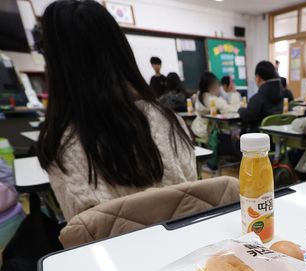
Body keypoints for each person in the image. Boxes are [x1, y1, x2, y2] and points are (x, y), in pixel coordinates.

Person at [37, 0, 196, 221]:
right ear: (122, 50)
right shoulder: (168, 120)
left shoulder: (60, 143)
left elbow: (81, 231)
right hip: (188, 246)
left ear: (54, 64)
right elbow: (194, 196)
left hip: (111, 254)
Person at [191, 72, 241, 139]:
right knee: (232, 131)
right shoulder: (213, 100)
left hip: (196, 127)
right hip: (208, 132)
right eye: (217, 85)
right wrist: (234, 92)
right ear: (211, 86)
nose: (219, 88)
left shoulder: (198, 96)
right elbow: (232, 109)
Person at [239, 61, 284, 132]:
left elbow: (248, 117)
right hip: (278, 137)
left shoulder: (258, 99)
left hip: (258, 139)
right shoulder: (284, 94)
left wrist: (241, 110)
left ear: (258, 77)